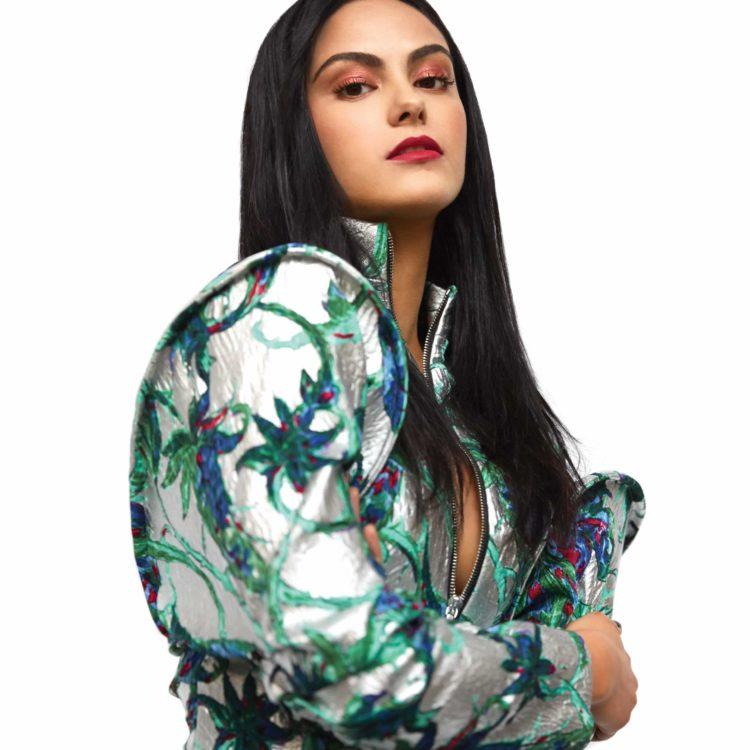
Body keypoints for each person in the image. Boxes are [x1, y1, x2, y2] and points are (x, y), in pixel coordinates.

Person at [129, 0, 646, 746]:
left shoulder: (480, 415)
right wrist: (580, 670)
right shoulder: (271, 327)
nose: (409, 103)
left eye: (433, 79)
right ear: (294, 132)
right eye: (355, 87)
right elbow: (347, 667)